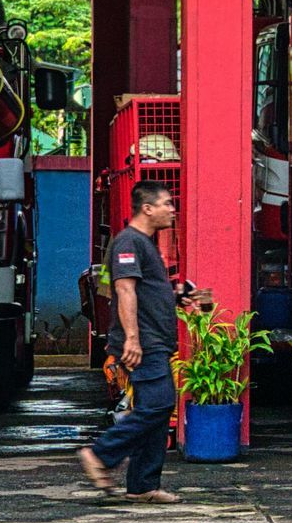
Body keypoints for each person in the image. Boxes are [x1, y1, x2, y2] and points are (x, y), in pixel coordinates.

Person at [77, 181, 206, 503]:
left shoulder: (145, 244)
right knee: (157, 405)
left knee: (158, 411)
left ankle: (143, 485)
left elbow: (146, 292)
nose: (172, 209)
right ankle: (100, 455)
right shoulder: (129, 242)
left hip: (154, 340)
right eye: (166, 204)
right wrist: (132, 340)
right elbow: (124, 289)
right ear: (147, 208)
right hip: (142, 343)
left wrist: (178, 296)